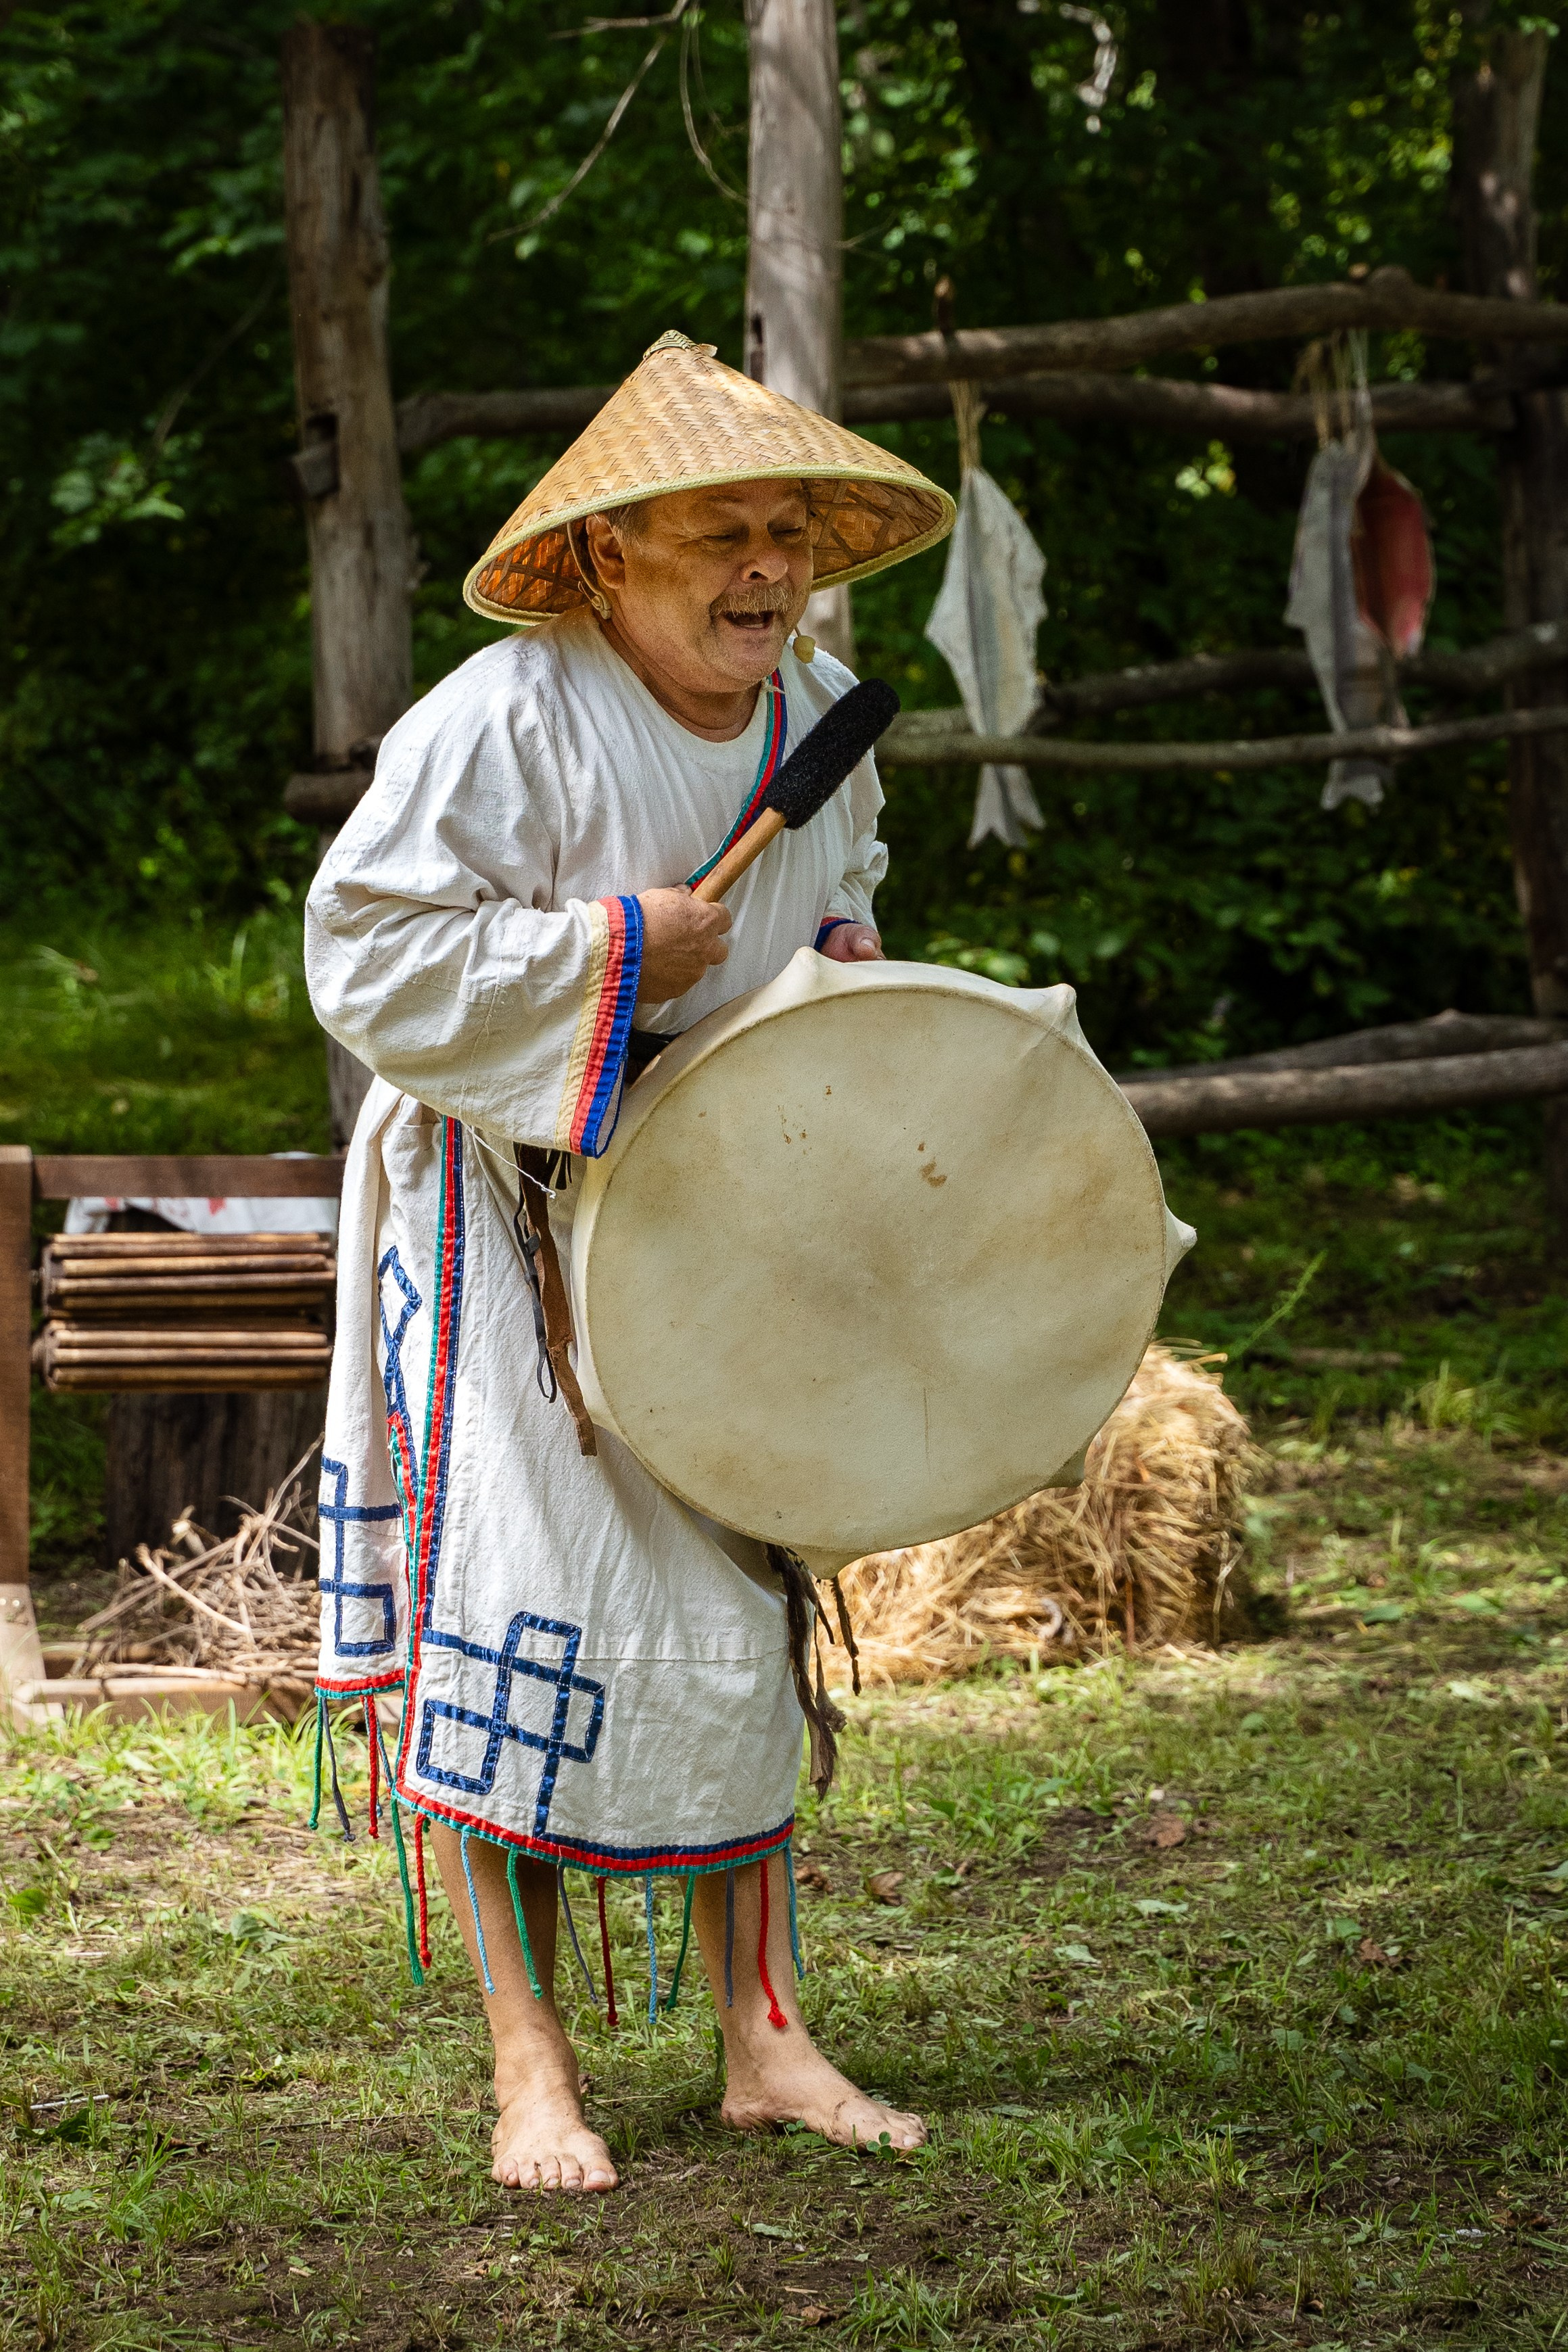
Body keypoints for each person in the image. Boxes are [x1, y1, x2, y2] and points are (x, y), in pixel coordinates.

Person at [304, 331, 954, 2194]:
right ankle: (530, 2065)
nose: (768, 572)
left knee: (739, 1614)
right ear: (604, 558)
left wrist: (831, 956)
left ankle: (765, 2036)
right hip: (506, 1218)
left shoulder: (810, 712)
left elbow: (845, 900)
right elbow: (365, 955)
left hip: (724, 1214)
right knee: (517, 1621)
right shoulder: (498, 721)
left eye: (787, 533)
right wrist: (606, 949)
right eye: (718, 536)